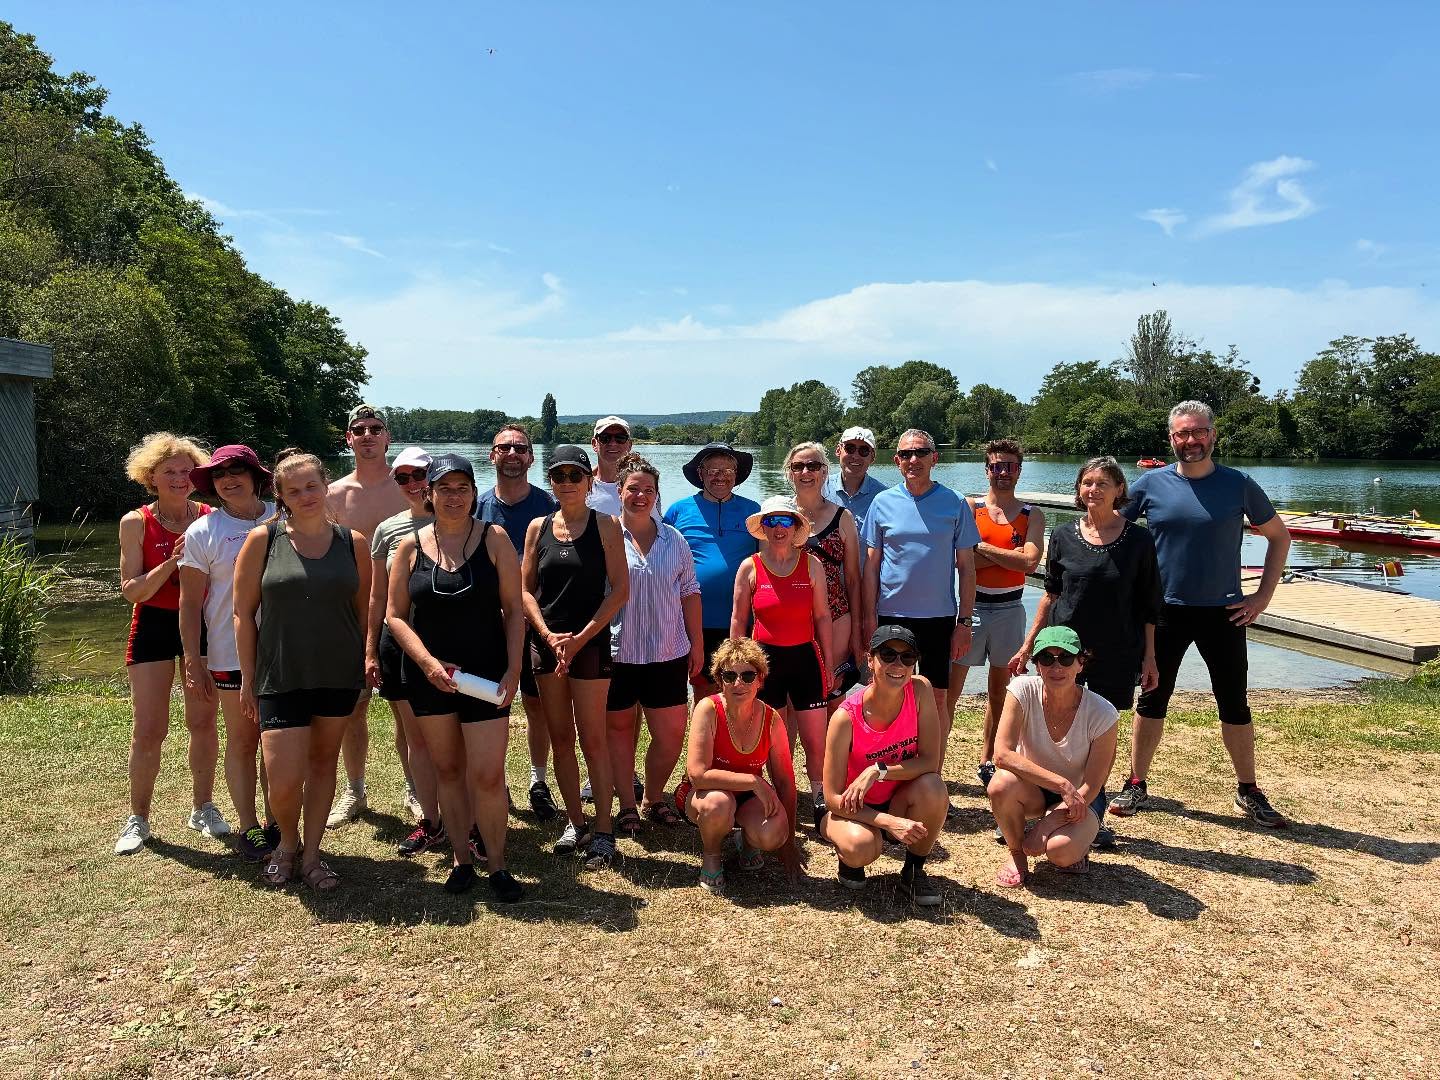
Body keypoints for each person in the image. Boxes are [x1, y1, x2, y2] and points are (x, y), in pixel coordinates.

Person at [1109, 401, 1292, 827]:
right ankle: (1136, 782)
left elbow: (1279, 538)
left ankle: (1248, 789)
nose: (1190, 440)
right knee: (1152, 698)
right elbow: (1110, 530)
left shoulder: (1239, 484)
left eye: (1198, 432)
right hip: (1164, 611)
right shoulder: (1149, 486)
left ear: (1212, 434)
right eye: (1181, 434)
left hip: (1224, 612)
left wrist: (1261, 598)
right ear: (1171, 439)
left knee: (1234, 702)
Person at [386, 454, 525, 901]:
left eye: (463, 488)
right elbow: (395, 617)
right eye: (444, 488)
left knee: (487, 775)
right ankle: (462, 860)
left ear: (473, 492)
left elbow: (514, 610)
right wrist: (427, 663)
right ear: (429, 493)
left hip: (484, 675)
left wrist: (514, 668)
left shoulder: (495, 538)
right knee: (447, 770)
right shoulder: (409, 547)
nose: (454, 497)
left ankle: (499, 866)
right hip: (430, 676)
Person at [234, 451, 370, 890]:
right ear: (280, 496)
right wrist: (248, 678)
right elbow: (242, 613)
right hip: (281, 675)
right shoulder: (263, 540)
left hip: (336, 673)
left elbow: (362, 610)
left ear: (325, 485)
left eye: (312, 485)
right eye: (294, 490)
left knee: (323, 762)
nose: (305, 496)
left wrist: (366, 662)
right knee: (284, 778)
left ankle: (311, 855)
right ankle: (286, 843)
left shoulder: (354, 542)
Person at [1009, 456, 1160, 848]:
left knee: (1097, 733)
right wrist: (1028, 646)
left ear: (1119, 490)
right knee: (1052, 726)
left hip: (1116, 649)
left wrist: (1150, 657)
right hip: (1061, 649)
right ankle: (1037, 802)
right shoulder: (1063, 534)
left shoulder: (1139, 540)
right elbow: (1051, 593)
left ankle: (1092, 810)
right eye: (1087, 483)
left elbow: (1148, 606)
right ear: (1079, 490)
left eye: (1102, 483)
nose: (1093, 490)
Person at [521, 445, 630, 868]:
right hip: (547, 646)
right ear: (551, 482)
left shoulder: (607, 525)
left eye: (575, 475)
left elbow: (620, 590)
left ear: (588, 481)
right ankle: (575, 821)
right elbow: (526, 589)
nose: (567, 483)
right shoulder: (537, 527)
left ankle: (604, 829)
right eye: (559, 476)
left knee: (593, 739)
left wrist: (581, 638)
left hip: (589, 646)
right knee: (561, 738)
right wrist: (548, 636)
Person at [115, 433, 220, 854]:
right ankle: (138, 818)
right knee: (149, 729)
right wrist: (174, 559)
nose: (178, 478)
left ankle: (203, 807)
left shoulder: (212, 516)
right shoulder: (135, 522)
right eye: (169, 472)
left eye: (185, 471)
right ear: (151, 476)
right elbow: (132, 591)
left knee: (203, 721)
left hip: (202, 622)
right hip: (154, 624)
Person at [179, 444, 276, 861]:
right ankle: (249, 827)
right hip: (228, 652)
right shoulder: (203, 532)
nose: (229, 480)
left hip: (287, 649)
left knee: (281, 741)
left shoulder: (285, 515)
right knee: (243, 739)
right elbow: (189, 604)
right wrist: (193, 659)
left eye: (238, 471)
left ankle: (280, 823)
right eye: (219, 475)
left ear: (256, 476)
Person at [605, 454, 704, 836]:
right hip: (619, 654)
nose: (641, 496)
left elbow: (689, 592)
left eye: (649, 490)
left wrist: (696, 643)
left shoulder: (674, 539)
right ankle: (627, 806)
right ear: (620, 491)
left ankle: (653, 797)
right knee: (618, 733)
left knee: (670, 736)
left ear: (657, 495)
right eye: (633, 489)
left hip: (667, 652)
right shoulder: (607, 538)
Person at [819, 625, 947, 906]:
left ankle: (913, 870)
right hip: (852, 808)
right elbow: (832, 797)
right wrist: (889, 822)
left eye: (907, 657)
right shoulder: (845, 718)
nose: (897, 665)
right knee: (862, 847)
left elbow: (929, 761)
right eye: (888, 655)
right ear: (870, 660)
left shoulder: (920, 690)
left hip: (898, 799)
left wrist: (878, 770)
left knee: (934, 787)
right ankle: (847, 854)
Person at [861, 429, 980, 729]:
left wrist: (964, 623)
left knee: (937, 698)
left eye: (921, 452)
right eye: (906, 454)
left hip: (939, 617)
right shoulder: (882, 502)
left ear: (934, 458)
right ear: (897, 461)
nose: (913, 459)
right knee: (888, 694)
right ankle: (894, 765)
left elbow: (966, 568)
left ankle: (932, 771)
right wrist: (868, 618)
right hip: (891, 614)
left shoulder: (955, 503)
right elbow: (871, 566)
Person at [325, 404, 407, 828]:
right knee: (353, 709)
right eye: (360, 429)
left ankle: (415, 788)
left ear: (388, 437)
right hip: (351, 613)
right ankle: (354, 791)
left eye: (376, 428)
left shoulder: (410, 486)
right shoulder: (334, 495)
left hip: (404, 613)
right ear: (349, 439)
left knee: (406, 706)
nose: (368, 435)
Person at [475, 423, 560, 821]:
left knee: (537, 704)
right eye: (503, 448)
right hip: (488, 624)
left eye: (520, 448)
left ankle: (537, 781)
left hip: (536, 622)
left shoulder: (549, 506)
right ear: (492, 456)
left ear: (531, 457)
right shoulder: (476, 506)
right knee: (492, 705)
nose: (511, 454)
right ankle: (496, 782)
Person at [731, 495, 832, 828]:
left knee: (815, 737)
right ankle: (772, 795)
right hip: (765, 663)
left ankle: (819, 796)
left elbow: (822, 617)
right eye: (771, 521)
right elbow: (738, 620)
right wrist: (736, 668)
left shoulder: (812, 565)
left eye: (785, 521)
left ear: (796, 527)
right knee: (771, 740)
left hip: (805, 659)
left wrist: (828, 665)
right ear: (763, 527)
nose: (778, 528)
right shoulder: (749, 566)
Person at [989, 626, 1118, 888]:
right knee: (1000, 783)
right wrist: (1062, 785)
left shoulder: (1103, 712)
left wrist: (1047, 825)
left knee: (1061, 853)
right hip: (1035, 789)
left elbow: (1093, 784)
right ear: (1037, 665)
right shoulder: (1021, 690)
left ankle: (1076, 840)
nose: (1056, 666)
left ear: (1081, 664)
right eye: (1047, 658)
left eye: (1066, 658)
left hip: (1082, 795)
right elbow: (1001, 755)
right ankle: (1017, 856)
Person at [366, 446, 446, 857]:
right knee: (415, 737)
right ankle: (430, 820)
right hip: (398, 643)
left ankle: (464, 819)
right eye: (403, 479)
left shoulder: (459, 520)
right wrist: (370, 651)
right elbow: (378, 596)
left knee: (454, 737)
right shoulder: (387, 530)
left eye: (419, 476)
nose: (413, 485)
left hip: (447, 643)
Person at [677, 637, 799, 894]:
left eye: (747, 675)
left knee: (774, 833)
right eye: (729, 675)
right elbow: (698, 775)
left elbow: (786, 782)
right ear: (719, 680)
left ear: (760, 679)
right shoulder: (707, 709)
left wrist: (789, 847)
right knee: (718, 804)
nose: (738, 683)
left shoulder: (772, 719)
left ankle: (748, 840)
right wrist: (754, 781)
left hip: (748, 799)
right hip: (704, 795)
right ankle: (712, 855)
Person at [956, 439, 1045, 783]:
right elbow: (959, 561)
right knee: (951, 690)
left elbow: (1029, 561)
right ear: (987, 470)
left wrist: (980, 548)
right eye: (996, 466)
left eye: (1009, 466)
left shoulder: (1030, 514)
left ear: (1019, 471)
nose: (1002, 473)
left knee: (1000, 690)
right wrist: (1005, 554)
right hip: (972, 607)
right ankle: (936, 764)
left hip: (1010, 608)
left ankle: (988, 759)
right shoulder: (970, 506)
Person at [662, 442, 760, 692]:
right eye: (713, 470)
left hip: (741, 620)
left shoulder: (753, 511)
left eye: (727, 471)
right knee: (704, 690)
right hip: (694, 621)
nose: (720, 477)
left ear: (736, 476)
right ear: (700, 474)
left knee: (742, 689)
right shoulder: (678, 511)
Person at [787, 442, 865, 700]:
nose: (806, 472)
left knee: (831, 692)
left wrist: (857, 628)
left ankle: (833, 742)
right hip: (791, 616)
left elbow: (853, 579)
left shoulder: (843, 517)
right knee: (791, 697)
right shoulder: (779, 516)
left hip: (836, 616)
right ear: (790, 473)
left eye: (813, 465)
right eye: (798, 466)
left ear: (824, 472)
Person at [824, 425, 888, 533]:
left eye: (864, 450)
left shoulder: (884, 498)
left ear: (872, 456)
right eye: (850, 448)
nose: (856, 456)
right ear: (838, 450)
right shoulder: (820, 488)